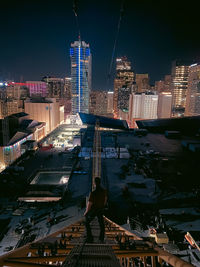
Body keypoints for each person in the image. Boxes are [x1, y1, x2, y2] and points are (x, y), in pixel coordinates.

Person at [84, 177, 107, 243]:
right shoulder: (104, 191)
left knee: (87, 222)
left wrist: (86, 212)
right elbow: (105, 200)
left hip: (94, 210)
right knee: (101, 224)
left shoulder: (93, 193)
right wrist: (102, 206)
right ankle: (101, 238)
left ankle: (90, 238)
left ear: (94, 183)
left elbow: (90, 203)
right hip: (100, 209)